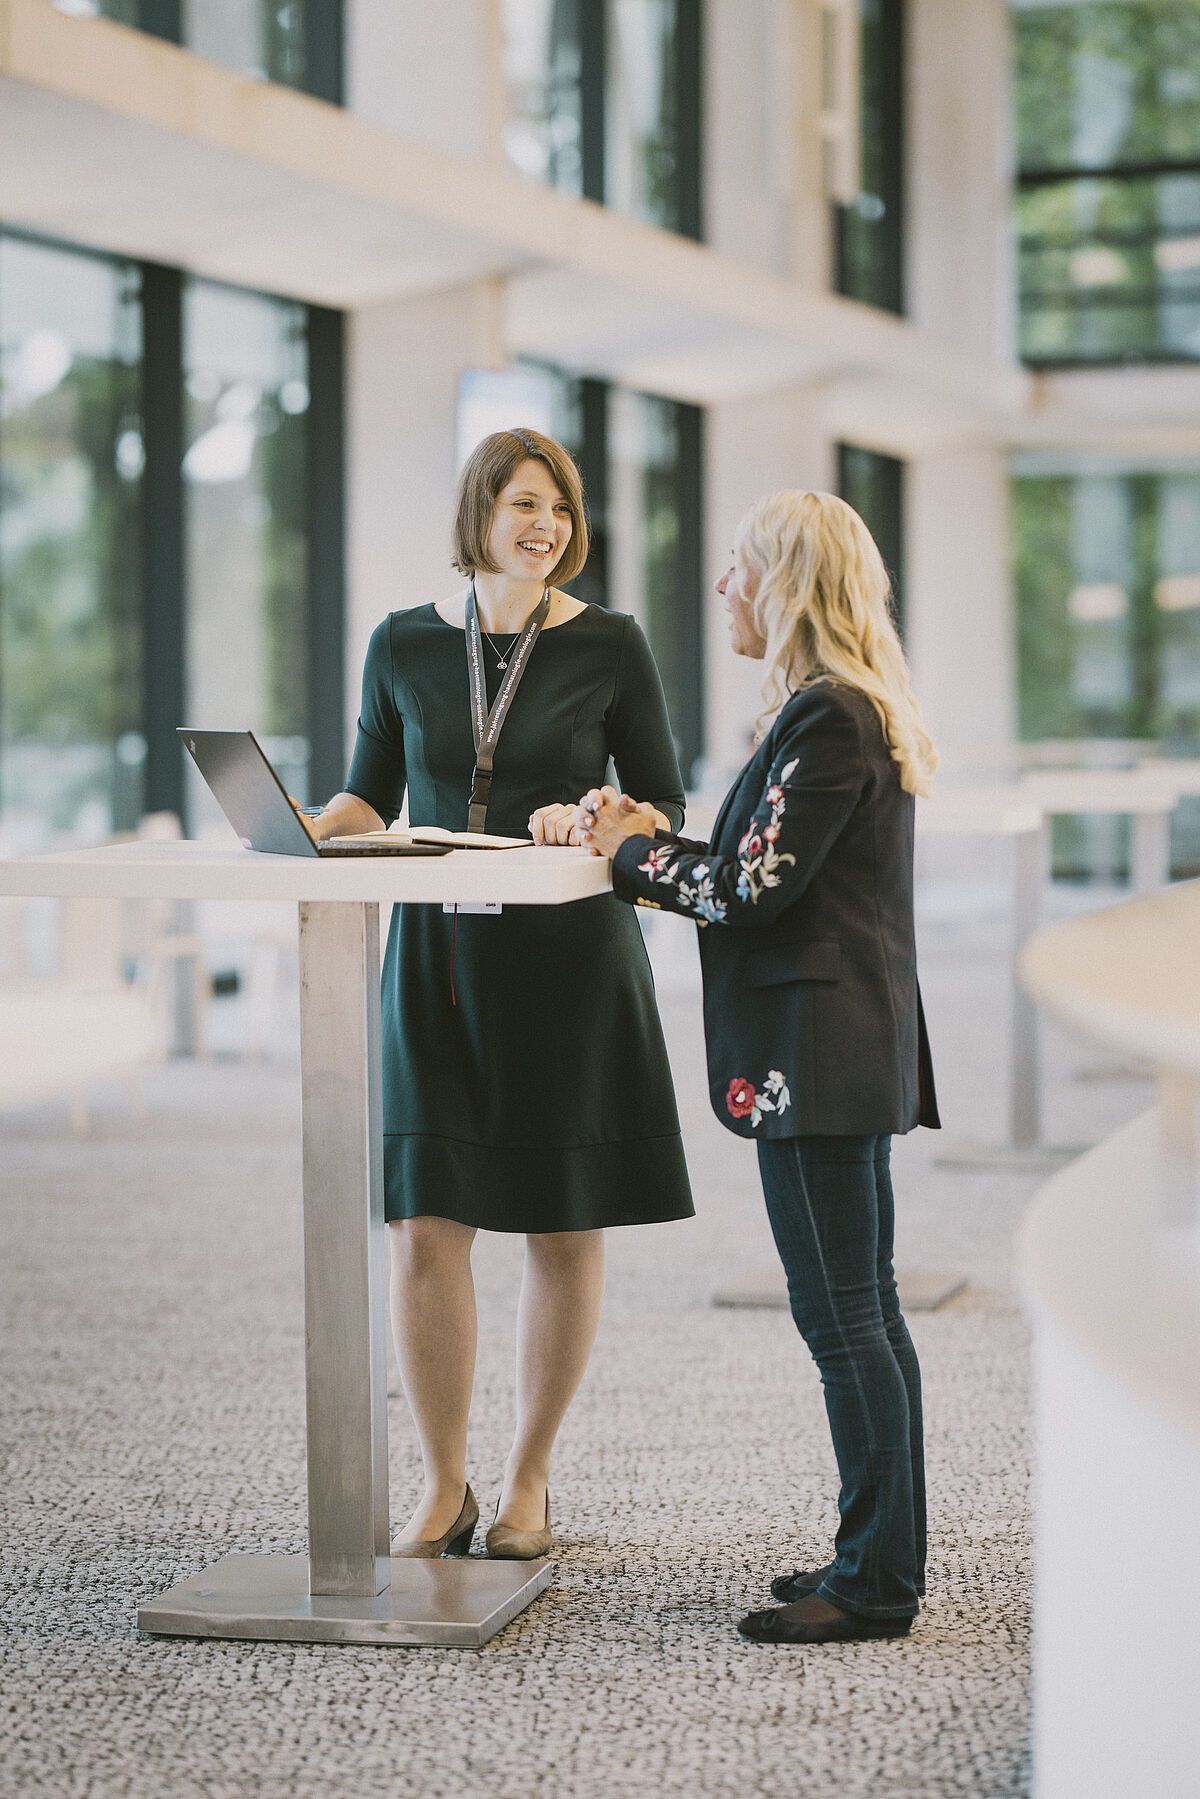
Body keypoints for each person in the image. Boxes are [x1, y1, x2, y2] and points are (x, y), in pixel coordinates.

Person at [300, 428, 693, 1561]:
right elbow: (369, 796)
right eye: (527, 503)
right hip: (435, 962)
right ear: (478, 512)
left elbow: (658, 797)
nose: (550, 526)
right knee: (427, 1223)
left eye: (562, 507)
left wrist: (598, 813)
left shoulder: (611, 643)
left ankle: (529, 1479)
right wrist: (299, 827)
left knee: (563, 1222)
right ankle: (443, 1482)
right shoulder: (404, 641)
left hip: (569, 958)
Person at [575, 489, 940, 1643]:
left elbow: (752, 890)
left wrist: (632, 856)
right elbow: (755, 862)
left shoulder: (829, 716)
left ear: (784, 583)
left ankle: (876, 1583)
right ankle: (871, 1553)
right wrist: (647, 835)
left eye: (737, 568)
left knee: (844, 1317)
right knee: (861, 1308)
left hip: (817, 1055)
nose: (724, 588)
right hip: (830, 1047)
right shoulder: (832, 710)